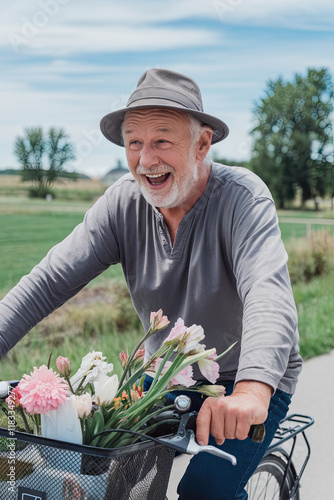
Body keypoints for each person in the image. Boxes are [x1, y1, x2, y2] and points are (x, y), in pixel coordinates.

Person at [0, 68, 302, 499]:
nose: (146, 160)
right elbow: (46, 283)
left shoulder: (243, 198)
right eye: (134, 143)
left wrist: (252, 391)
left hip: (244, 381)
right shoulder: (122, 203)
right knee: (110, 482)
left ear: (202, 144)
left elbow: (267, 294)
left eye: (162, 140)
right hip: (164, 377)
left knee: (205, 492)